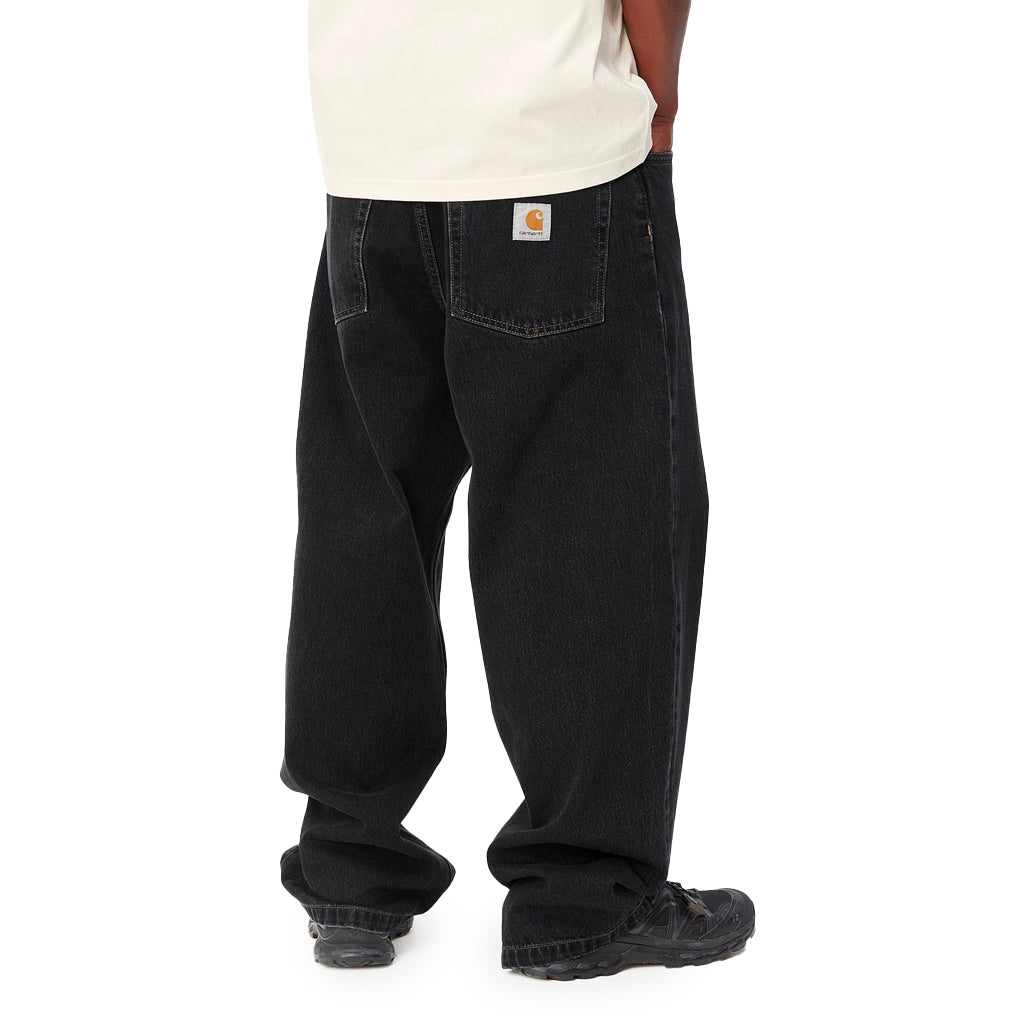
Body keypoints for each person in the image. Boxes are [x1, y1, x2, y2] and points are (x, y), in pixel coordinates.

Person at [280, 0, 754, 980]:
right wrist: (658, 98)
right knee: (591, 518)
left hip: (371, 154)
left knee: (366, 520)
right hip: (549, 149)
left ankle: (349, 872)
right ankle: (583, 893)